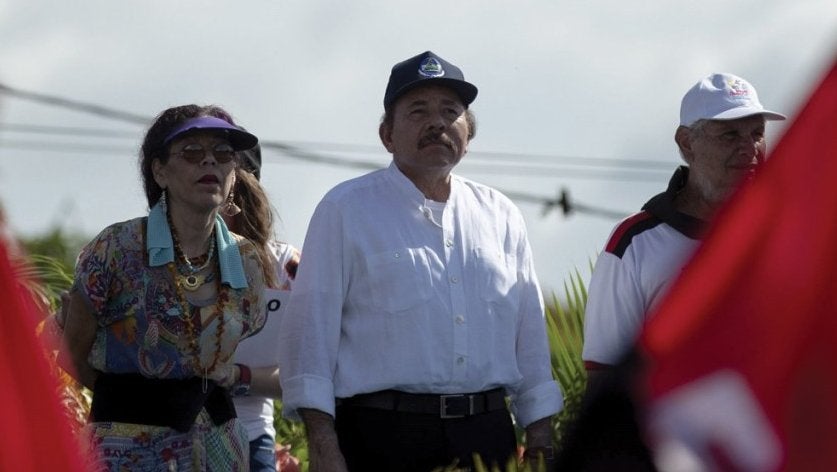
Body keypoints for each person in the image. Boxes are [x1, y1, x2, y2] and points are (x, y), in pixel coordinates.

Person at [278, 51, 563, 472]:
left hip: (486, 434)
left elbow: (530, 337)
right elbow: (311, 337)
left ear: (468, 134)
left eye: (451, 111)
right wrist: (322, 443)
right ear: (387, 135)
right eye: (418, 111)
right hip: (383, 434)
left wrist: (540, 431)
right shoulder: (345, 208)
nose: (437, 123)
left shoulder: (500, 214)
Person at [59, 105, 268, 471]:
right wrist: (137, 400)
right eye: (192, 153)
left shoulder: (246, 259)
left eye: (223, 155)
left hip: (218, 446)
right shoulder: (115, 247)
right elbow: (71, 352)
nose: (210, 163)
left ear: (235, 174)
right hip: (125, 447)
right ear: (160, 171)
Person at [582, 73, 786, 385]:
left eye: (757, 134)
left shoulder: (789, 232)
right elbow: (604, 373)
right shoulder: (635, 243)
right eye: (730, 136)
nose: (749, 148)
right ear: (686, 142)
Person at [226, 145, 301, 472]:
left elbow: (306, 373)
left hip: (250, 434)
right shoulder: (156, 256)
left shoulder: (286, 265)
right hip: (169, 437)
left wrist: (238, 377)